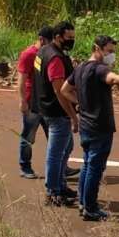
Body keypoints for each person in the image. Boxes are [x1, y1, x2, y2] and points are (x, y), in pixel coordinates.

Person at [61, 35, 119, 221]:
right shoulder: (99, 69)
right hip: (99, 126)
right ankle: (90, 207)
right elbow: (112, 79)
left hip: (86, 125)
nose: (111, 56)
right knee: (95, 168)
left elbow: (65, 90)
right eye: (109, 51)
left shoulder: (80, 68)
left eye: (113, 52)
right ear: (97, 48)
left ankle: (84, 203)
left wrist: (80, 103)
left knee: (88, 164)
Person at [33, 20, 79, 206]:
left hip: (44, 108)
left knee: (66, 148)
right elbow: (60, 92)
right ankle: (53, 190)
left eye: (73, 38)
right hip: (56, 112)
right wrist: (73, 116)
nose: (71, 41)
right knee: (56, 153)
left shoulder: (43, 52)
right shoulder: (55, 59)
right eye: (69, 38)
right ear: (58, 37)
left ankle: (60, 184)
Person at [17, 26, 53, 179]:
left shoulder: (49, 54)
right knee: (28, 136)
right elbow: (21, 80)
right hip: (32, 101)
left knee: (54, 136)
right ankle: (25, 167)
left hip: (46, 102)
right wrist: (23, 101)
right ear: (41, 39)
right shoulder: (28, 55)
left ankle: (61, 167)